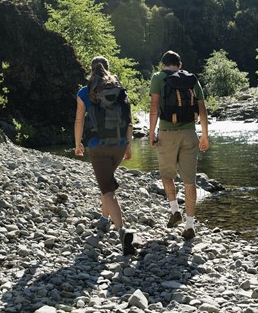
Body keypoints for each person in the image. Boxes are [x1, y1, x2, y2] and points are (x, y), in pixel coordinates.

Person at [74, 56, 135, 255]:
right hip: (118, 143)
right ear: (108, 69)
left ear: (91, 71)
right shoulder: (119, 90)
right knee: (105, 180)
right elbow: (128, 119)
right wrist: (128, 145)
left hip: (97, 145)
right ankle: (104, 218)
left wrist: (77, 143)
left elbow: (79, 120)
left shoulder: (84, 92)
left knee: (107, 188)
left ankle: (122, 230)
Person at [149, 50, 209, 240]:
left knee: (167, 175)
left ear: (162, 64)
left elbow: (154, 107)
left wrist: (151, 133)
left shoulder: (158, 77)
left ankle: (175, 210)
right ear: (180, 65)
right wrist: (205, 135)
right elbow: (202, 108)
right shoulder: (191, 79)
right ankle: (190, 225)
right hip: (190, 134)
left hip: (167, 134)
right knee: (190, 181)